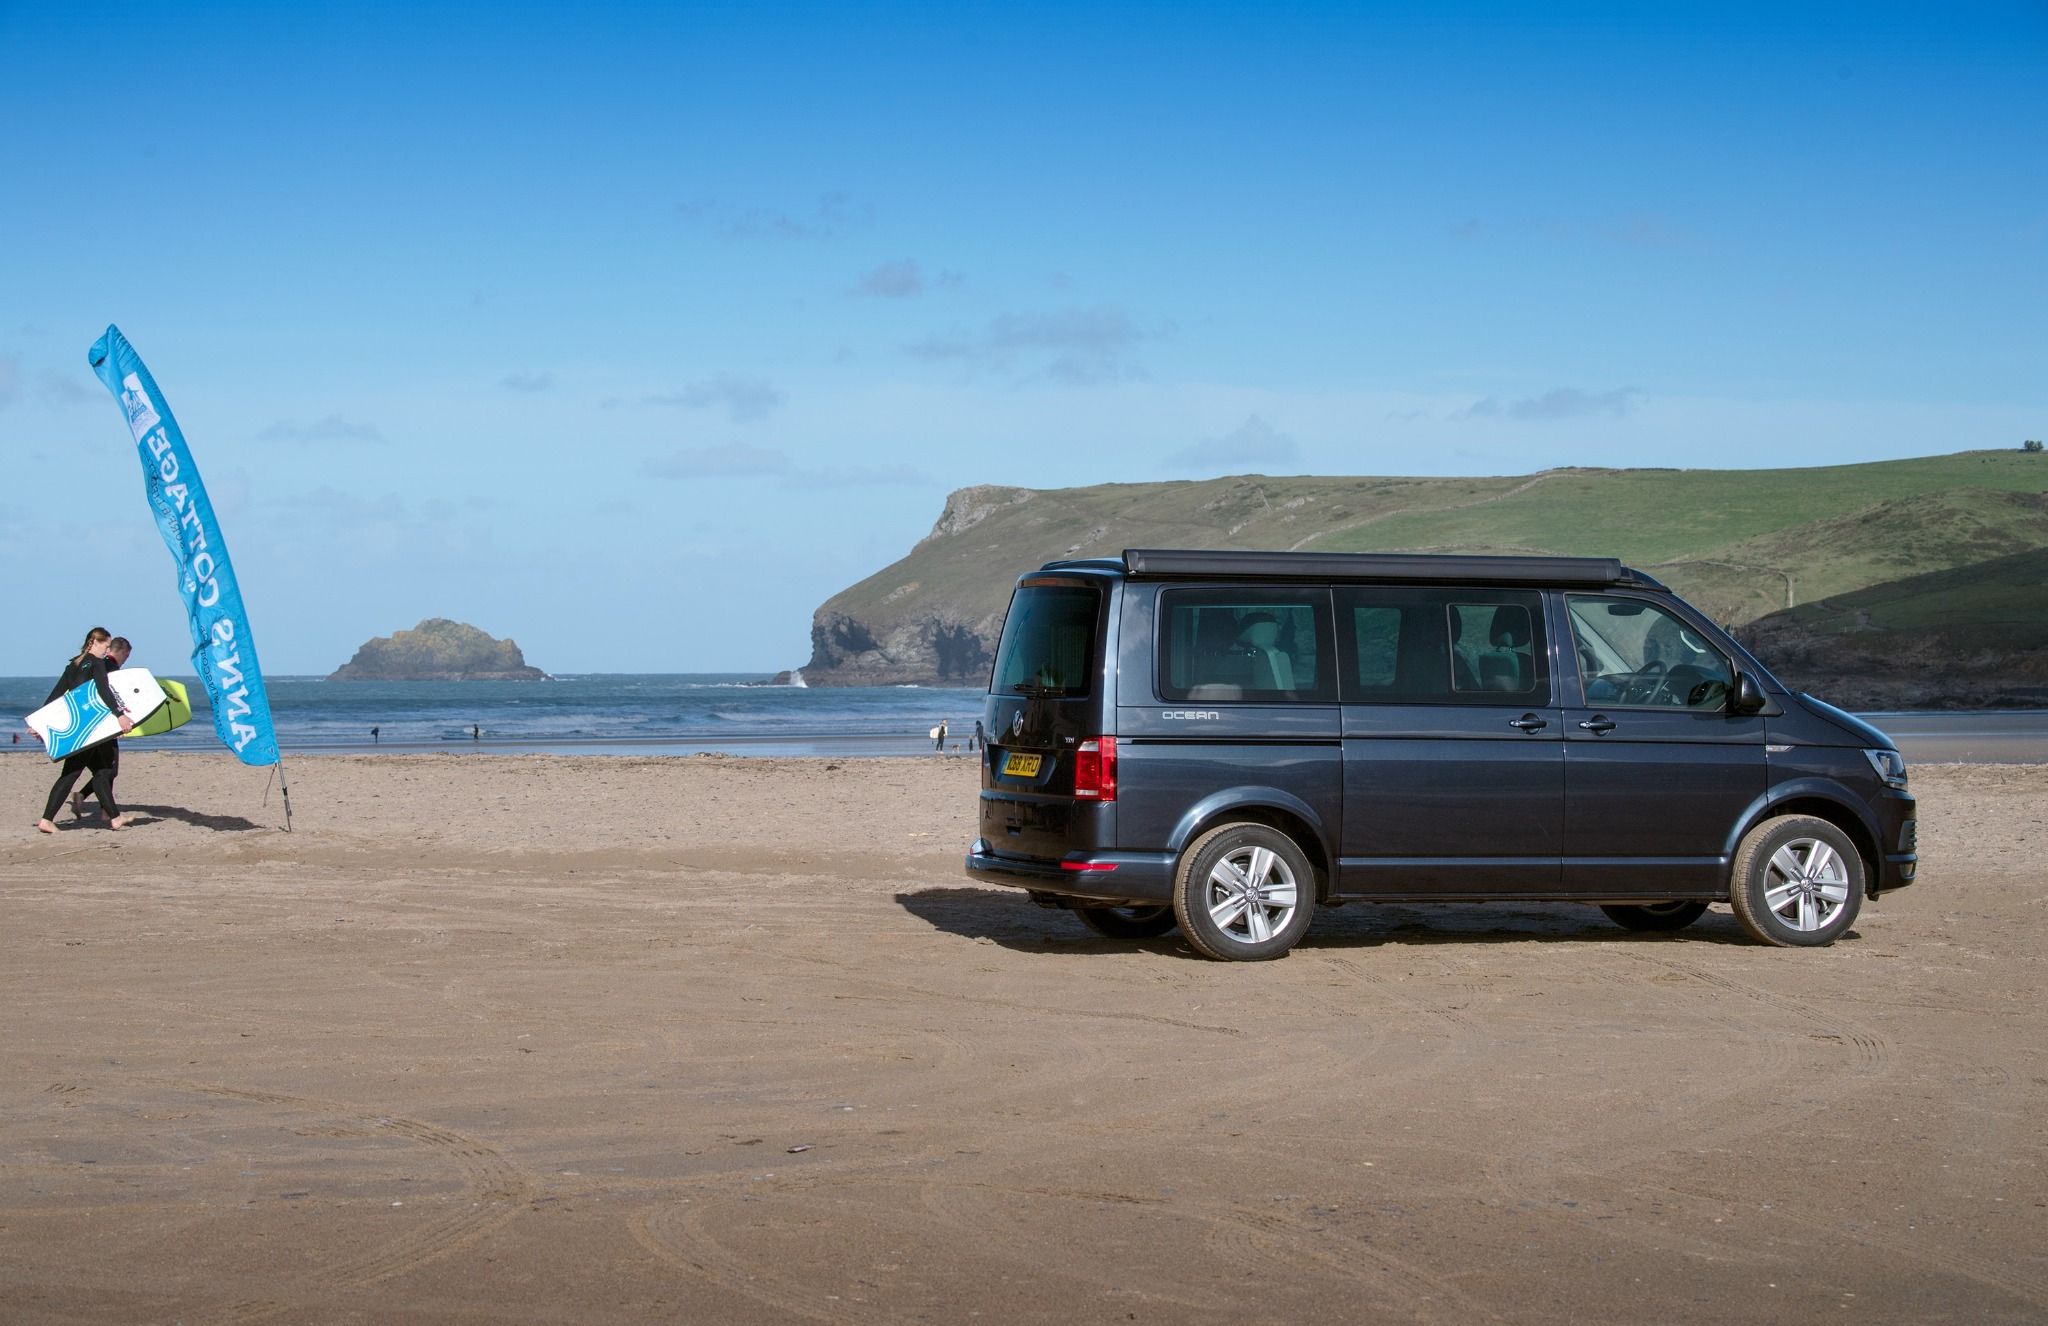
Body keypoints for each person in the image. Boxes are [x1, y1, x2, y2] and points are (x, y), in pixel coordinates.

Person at [34, 628, 133, 834]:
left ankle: (114, 817)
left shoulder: (74, 664)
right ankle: (47, 820)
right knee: (72, 774)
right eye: (106, 646)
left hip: (78, 726)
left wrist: (39, 722)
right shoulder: (96, 663)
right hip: (90, 727)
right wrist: (120, 715)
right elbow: (104, 691)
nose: (107, 651)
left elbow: (56, 694)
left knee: (102, 771)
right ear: (96, 643)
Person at [71, 637, 131, 820]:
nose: (125, 660)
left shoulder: (95, 665)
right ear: (120, 651)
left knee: (104, 769)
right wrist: (119, 718)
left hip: (94, 723)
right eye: (126, 656)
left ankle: (95, 804)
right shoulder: (110, 667)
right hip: (106, 726)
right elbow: (110, 695)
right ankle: (105, 811)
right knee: (108, 769)